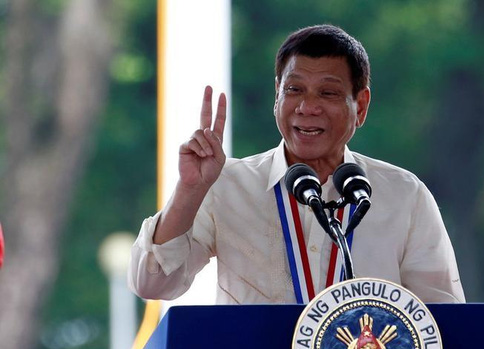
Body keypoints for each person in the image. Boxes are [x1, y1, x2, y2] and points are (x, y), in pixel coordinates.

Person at [128, 24, 465, 304]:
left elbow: (443, 320)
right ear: (277, 95)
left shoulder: (404, 195)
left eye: (328, 93)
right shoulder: (227, 184)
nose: (307, 107)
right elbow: (152, 284)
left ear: (360, 106)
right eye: (294, 89)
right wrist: (190, 189)